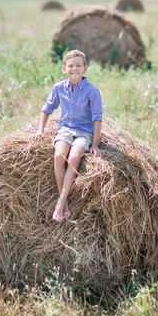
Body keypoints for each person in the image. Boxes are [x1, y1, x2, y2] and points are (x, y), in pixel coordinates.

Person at [30, 50, 103, 222]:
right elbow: (47, 108)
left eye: (78, 65)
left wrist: (94, 144)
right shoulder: (58, 88)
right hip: (65, 129)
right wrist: (40, 130)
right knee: (59, 155)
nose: (74, 69)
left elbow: (97, 118)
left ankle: (61, 201)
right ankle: (64, 202)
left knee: (74, 156)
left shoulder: (92, 91)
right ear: (64, 69)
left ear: (84, 69)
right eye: (70, 66)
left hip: (84, 131)